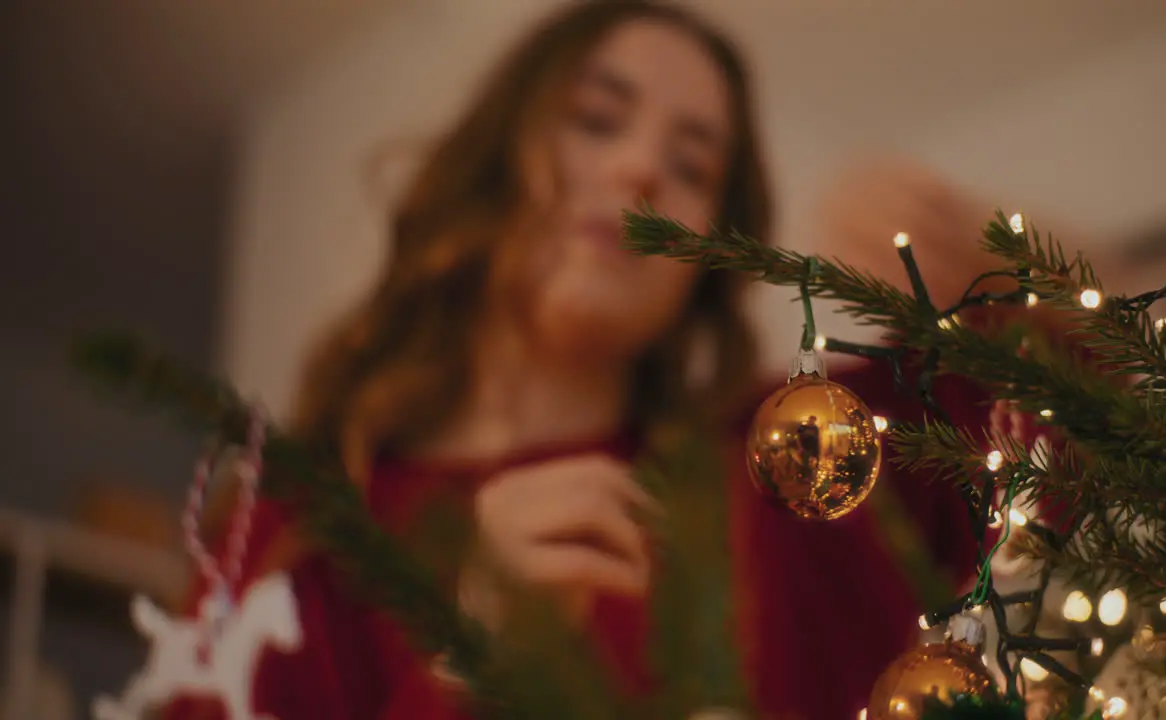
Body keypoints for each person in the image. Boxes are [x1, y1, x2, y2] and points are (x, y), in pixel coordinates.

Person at [168, 2, 1007, 718]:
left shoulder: (798, 467)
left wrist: (995, 258)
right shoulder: (300, 535)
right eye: (596, 119)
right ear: (496, 160)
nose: (640, 166)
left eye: (692, 166)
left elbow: (1107, 398)